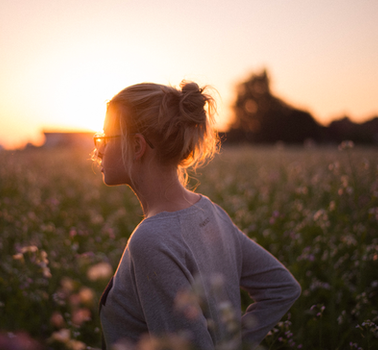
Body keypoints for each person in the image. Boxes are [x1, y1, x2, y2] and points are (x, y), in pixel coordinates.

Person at [93, 81, 301, 350]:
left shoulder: (151, 240)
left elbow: (282, 289)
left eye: (106, 138)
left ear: (136, 146)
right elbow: (282, 288)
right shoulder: (211, 212)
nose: (98, 149)